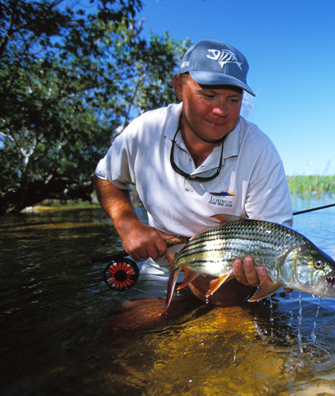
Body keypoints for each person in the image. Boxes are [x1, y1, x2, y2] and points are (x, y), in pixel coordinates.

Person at [94, 39, 293, 306]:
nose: (220, 111)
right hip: (162, 266)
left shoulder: (260, 150)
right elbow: (106, 176)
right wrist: (127, 223)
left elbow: (276, 240)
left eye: (233, 99)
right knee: (126, 332)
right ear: (179, 87)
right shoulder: (146, 130)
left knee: (227, 315)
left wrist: (263, 276)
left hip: (228, 276)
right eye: (208, 96)